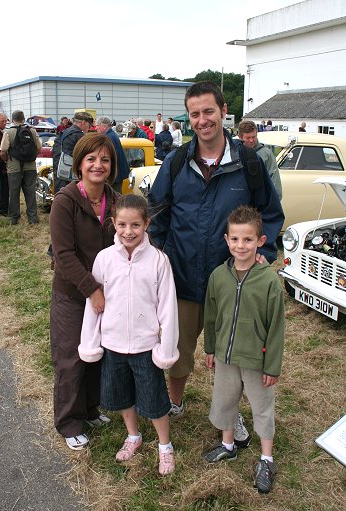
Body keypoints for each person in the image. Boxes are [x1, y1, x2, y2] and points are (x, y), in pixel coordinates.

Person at [148, 81, 284, 447]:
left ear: (224, 111)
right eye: (195, 114)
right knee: (177, 351)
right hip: (182, 277)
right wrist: (159, 256)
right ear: (188, 118)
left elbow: (269, 216)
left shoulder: (249, 163)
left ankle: (231, 412)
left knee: (233, 356)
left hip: (232, 284)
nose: (202, 120)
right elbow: (156, 213)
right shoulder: (177, 161)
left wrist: (263, 254)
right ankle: (174, 402)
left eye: (209, 111)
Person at [78, 194, 179, 475]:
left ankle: (164, 445)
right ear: (113, 224)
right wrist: (91, 341)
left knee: (155, 398)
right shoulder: (104, 259)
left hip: (146, 346)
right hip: (113, 345)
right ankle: (133, 435)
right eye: (122, 225)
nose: (128, 232)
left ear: (146, 224)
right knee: (122, 395)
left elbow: (168, 308)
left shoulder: (159, 261)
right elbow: (94, 305)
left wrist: (165, 348)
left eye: (135, 225)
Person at [203, 205, 284, 494]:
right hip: (225, 354)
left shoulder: (269, 282)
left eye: (248, 240)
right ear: (226, 240)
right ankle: (228, 444)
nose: (241, 246)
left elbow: (276, 328)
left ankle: (266, 458)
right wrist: (210, 348)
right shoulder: (218, 277)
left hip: (256, 359)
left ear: (260, 242)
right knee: (224, 400)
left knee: (262, 407)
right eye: (235, 239)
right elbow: (211, 317)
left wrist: (272, 365)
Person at [49, 133, 119, 451]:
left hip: (104, 295)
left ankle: (90, 409)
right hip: (73, 294)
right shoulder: (65, 201)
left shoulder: (115, 201)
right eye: (91, 159)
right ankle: (68, 422)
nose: (98, 165)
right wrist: (91, 290)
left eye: (104, 159)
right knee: (71, 358)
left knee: (96, 354)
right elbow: (63, 256)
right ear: (79, 164)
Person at [0, 110, 41, 225]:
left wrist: (8, 161)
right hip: (30, 166)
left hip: (14, 167)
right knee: (30, 192)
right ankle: (33, 218)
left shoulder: (8, 132)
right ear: (24, 119)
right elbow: (39, 148)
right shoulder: (32, 131)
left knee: (13, 192)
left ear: (12, 119)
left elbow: (3, 152)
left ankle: (14, 218)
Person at [238, 120, 282, 200]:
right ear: (240, 137)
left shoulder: (266, 154)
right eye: (248, 138)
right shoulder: (234, 153)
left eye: (253, 137)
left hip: (260, 202)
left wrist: (275, 201)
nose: (251, 140)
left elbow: (274, 179)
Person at [53, 111, 93, 193]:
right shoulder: (79, 136)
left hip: (60, 174)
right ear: (83, 123)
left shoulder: (64, 132)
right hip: (71, 179)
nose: (89, 129)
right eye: (89, 126)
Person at [96, 116, 130, 193]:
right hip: (116, 174)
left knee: (113, 197)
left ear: (104, 126)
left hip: (114, 175)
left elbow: (110, 158)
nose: (96, 128)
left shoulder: (108, 138)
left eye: (97, 125)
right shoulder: (111, 135)